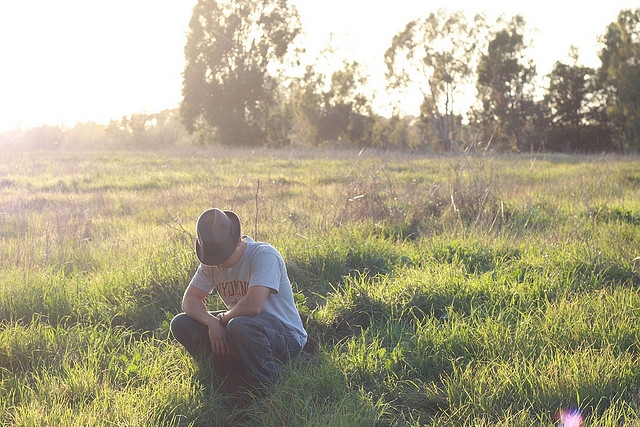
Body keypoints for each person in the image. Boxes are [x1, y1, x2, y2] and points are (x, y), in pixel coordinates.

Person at [170, 208, 307, 387]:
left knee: (239, 325)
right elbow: (189, 300)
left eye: (221, 256)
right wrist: (211, 323)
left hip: (286, 335)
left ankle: (271, 383)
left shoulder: (264, 255)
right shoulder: (211, 262)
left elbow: (253, 305)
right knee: (181, 323)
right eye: (213, 257)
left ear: (237, 240)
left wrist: (222, 320)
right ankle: (225, 375)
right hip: (240, 328)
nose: (217, 264)